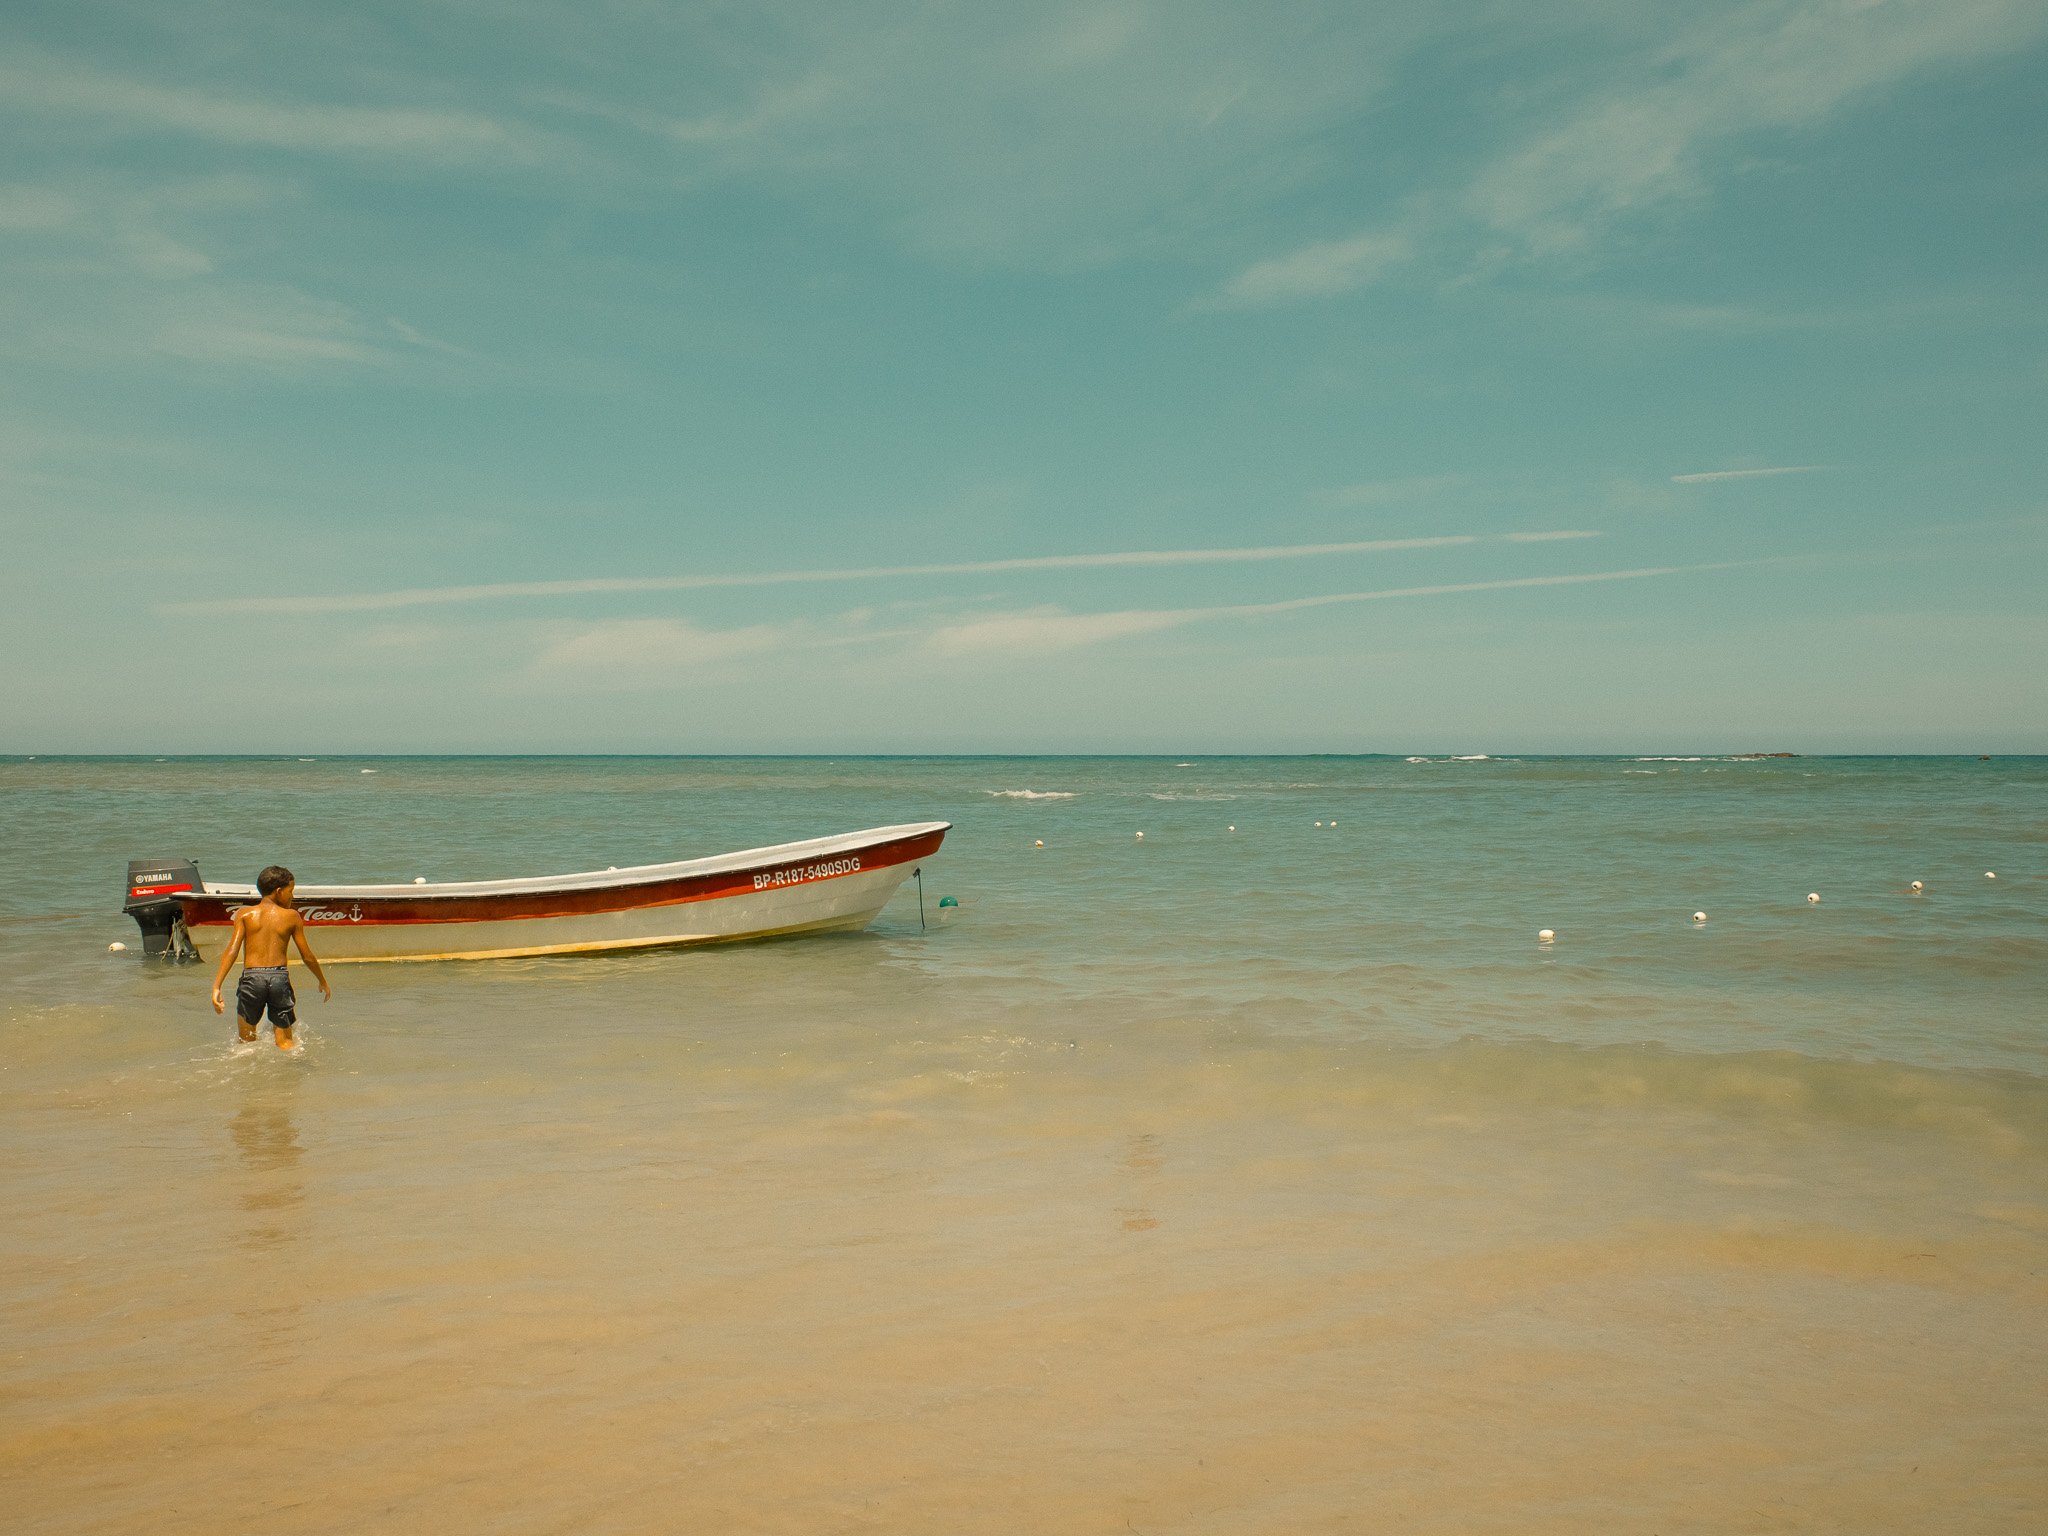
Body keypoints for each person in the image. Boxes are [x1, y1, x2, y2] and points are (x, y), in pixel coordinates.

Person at [210, 865, 331, 1050]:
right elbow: (307, 956)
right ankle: (292, 1073)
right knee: (285, 1042)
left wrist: (217, 985)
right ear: (279, 891)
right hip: (279, 979)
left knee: (245, 1043)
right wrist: (322, 980)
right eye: (291, 891)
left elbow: (232, 951)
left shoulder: (244, 914)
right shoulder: (292, 916)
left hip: (252, 979)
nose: (293, 896)